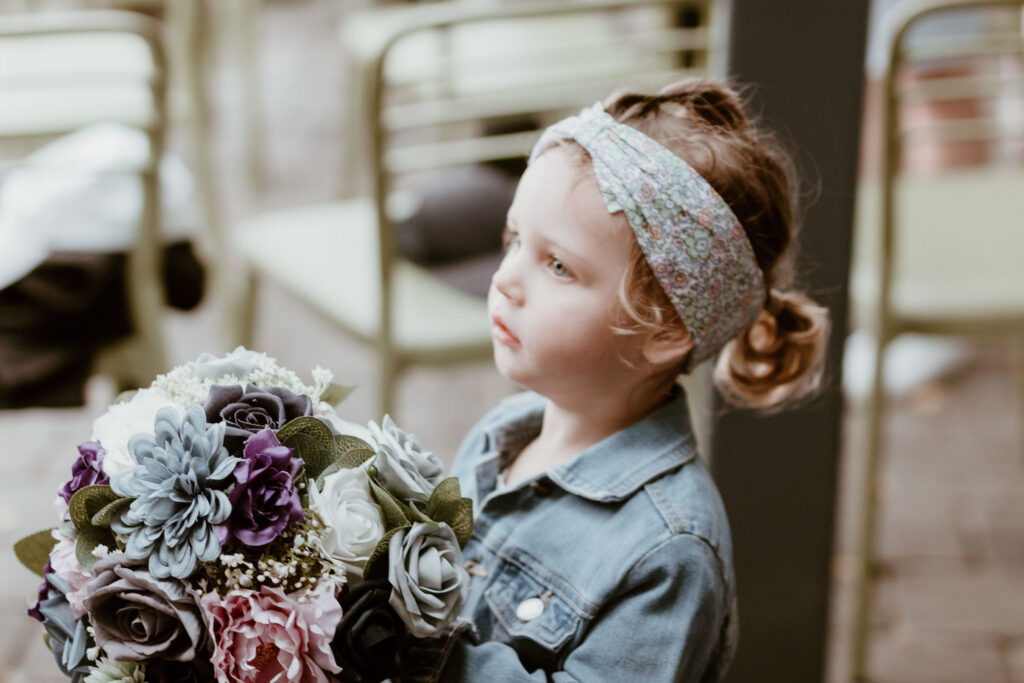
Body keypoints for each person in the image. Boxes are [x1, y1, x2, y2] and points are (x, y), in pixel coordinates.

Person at [408, 78, 830, 682]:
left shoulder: (669, 551)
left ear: (663, 329)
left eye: (558, 265)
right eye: (514, 239)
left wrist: (409, 650)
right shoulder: (502, 436)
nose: (505, 279)